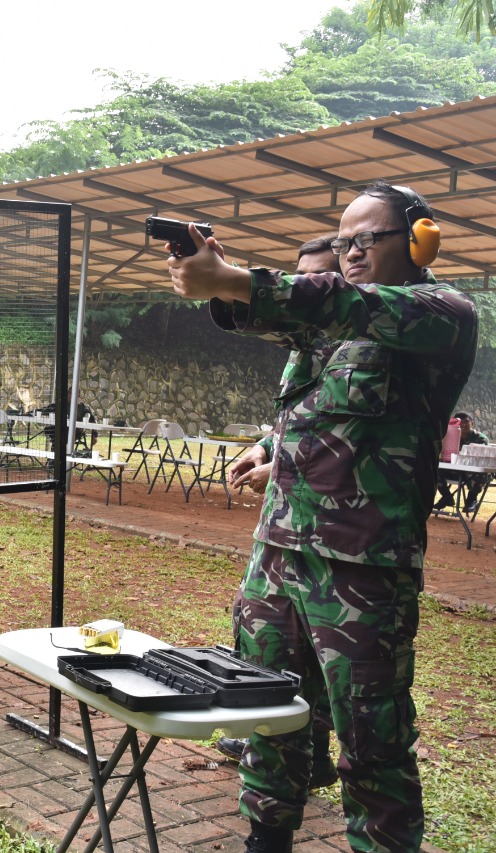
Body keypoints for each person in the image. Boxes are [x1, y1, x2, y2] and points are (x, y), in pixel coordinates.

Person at [166, 182, 477, 853]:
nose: (353, 251)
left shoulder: (442, 315)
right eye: (343, 241)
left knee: (372, 741)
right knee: (271, 715)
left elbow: (343, 301)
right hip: (278, 557)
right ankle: (265, 836)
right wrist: (221, 281)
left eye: (368, 237)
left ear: (420, 238)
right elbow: (278, 327)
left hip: (362, 572)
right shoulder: (327, 333)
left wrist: (232, 277)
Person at [216, 235, 343, 791]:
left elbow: (354, 435)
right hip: (284, 527)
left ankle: (310, 751)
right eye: (299, 278)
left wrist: (283, 464)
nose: (303, 290)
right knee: (267, 637)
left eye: (318, 280)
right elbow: (299, 417)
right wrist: (265, 446)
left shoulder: (369, 340)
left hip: (340, 533)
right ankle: (293, 745)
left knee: (321, 652)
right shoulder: (305, 343)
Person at [434, 411, 489, 514]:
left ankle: (471, 499)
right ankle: (446, 497)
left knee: (480, 471)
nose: (462, 425)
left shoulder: (480, 439)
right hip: (455, 472)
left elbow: (480, 460)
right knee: (434, 470)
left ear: (472, 423)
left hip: (472, 474)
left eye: (466, 422)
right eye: (459, 422)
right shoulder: (450, 437)